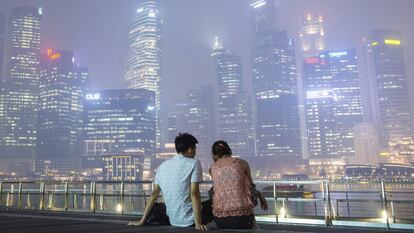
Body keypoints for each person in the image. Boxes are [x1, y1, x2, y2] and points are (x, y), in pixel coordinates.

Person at [128, 133, 208, 231]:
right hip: (190, 220)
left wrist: (142, 220)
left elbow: (154, 194)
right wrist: (198, 223)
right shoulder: (194, 163)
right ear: (190, 149)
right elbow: (194, 193)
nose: (195, 151)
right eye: (195, 148)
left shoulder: (163, 166)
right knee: (214, 203)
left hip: (173, 220)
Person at [209, 140, 268, 229]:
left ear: (215, 155)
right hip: (242, 216)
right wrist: (260, 195)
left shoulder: (212, 168)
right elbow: (251, 187)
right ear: (229, 151)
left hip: (220, 217)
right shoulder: (242, 163)